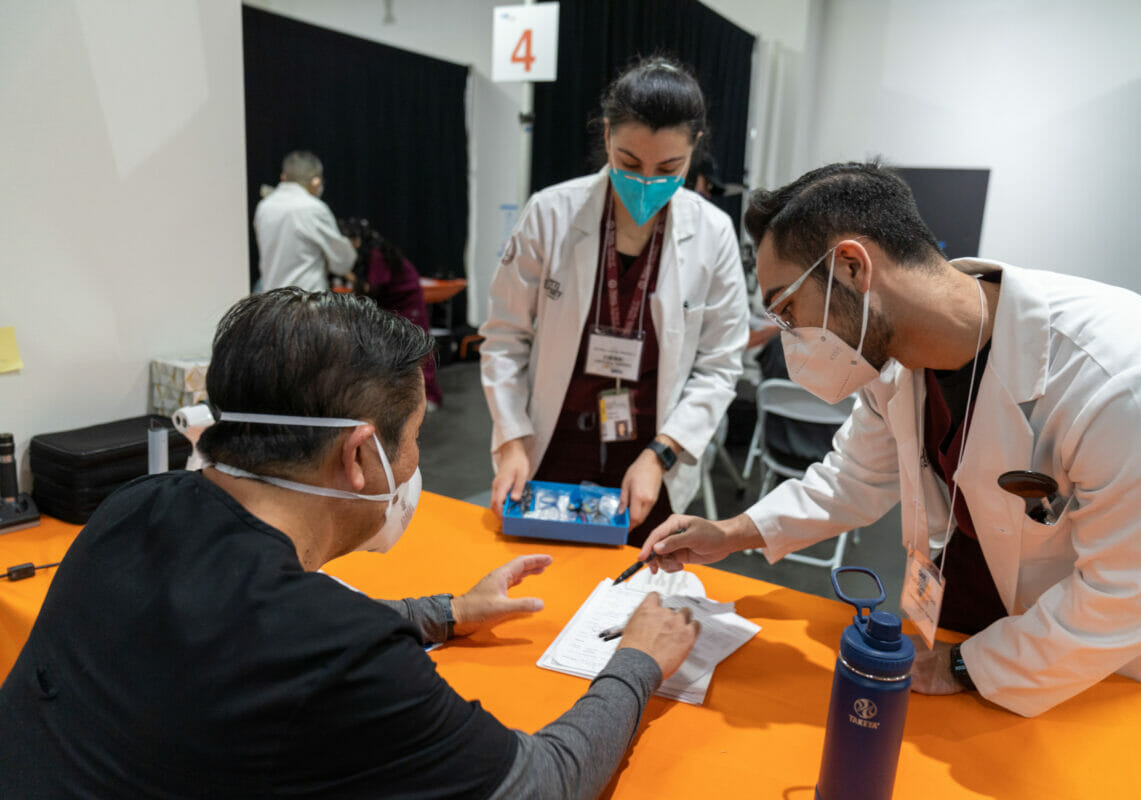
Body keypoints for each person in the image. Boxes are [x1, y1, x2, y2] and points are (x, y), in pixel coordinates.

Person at [0, 289, 700, 798]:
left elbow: (244, 649)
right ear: (362, 456)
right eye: (416, 439)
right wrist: (637, 659)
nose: (417, 462)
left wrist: (447, 611)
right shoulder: (332, 648)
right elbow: (543, 783)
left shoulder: (134, 509)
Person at [639, 160, 1141, 718]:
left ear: (853, 267)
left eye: (789, 311)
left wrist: (966, 667)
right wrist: (730, 532)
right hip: (961, 631)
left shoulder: (1130, 382)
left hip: (1089, 677)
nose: (790, 339)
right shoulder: (895, 362)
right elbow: (854, 477)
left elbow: (1125, 595)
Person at [481, 57, 749, 545]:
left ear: (694, 153)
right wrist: (514, 440)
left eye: (669, 168)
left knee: (632, 595)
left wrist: (661, 454)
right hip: (552, 443)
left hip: (648, 457)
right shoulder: (550, 213)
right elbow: (504, 338)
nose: (647, 181)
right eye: (630, 163)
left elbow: (720, 365)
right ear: (606, 136)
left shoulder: (713, 233)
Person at [340, 217, 444, 409]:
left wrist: (344, 271)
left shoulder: (376, 255)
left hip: (407, 304)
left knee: (419, 351)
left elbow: (372, 287)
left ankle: (430, 396)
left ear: (355, 239)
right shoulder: (366, 256)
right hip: (391, 306)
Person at [254, 150, 357, 292]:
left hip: (272, 301)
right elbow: (343, 261)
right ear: (316, 181)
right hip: (306, 301)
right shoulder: (313, 208)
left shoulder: (264, 207)